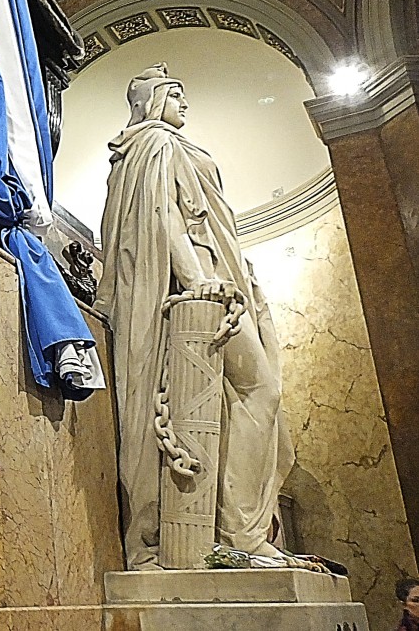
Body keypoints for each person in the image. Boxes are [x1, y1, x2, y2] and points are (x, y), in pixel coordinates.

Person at [96, 64, 293, 569]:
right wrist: (194, 278)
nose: (184, 104)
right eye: (175, 95)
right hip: (202, 287)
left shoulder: (166, 144)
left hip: (223, 281)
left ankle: (240, 533)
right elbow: (163, 218)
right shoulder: (155, 144)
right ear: (152, 101)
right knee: (260, 390)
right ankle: (241, 536)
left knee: (249, 398)